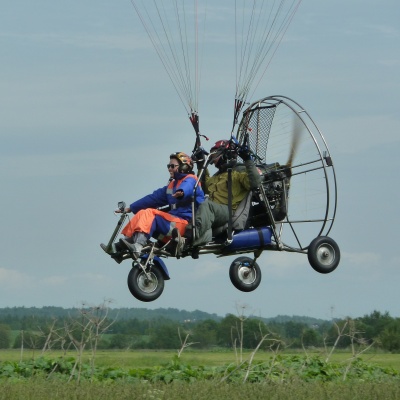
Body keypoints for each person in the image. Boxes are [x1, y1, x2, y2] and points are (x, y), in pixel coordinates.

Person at [101, 152, 204, 258]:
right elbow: (152, 198)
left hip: (184, 226)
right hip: (173, 224)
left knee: (150, 213)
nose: (169, 169)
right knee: (142, 212)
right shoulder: (171, 185)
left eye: (172, 166)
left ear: (184, 166)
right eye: (168, 166)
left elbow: (187, 186)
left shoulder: (191, 179)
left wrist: (182, 192)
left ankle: (138, 245)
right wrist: (131, 208)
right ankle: (125, 244)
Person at [187, 139, 261, 250]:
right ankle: (185, 239)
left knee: (207, 206)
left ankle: (190, 236)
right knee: (192, 209)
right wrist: (201, 165)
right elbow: (205, 187)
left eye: (215, 154)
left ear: (226, 154)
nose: (213, 159)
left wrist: (248, 160)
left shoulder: (239, 171)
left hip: (228, 211)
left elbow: (254, 183)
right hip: (215, 212)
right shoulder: (218, 175)